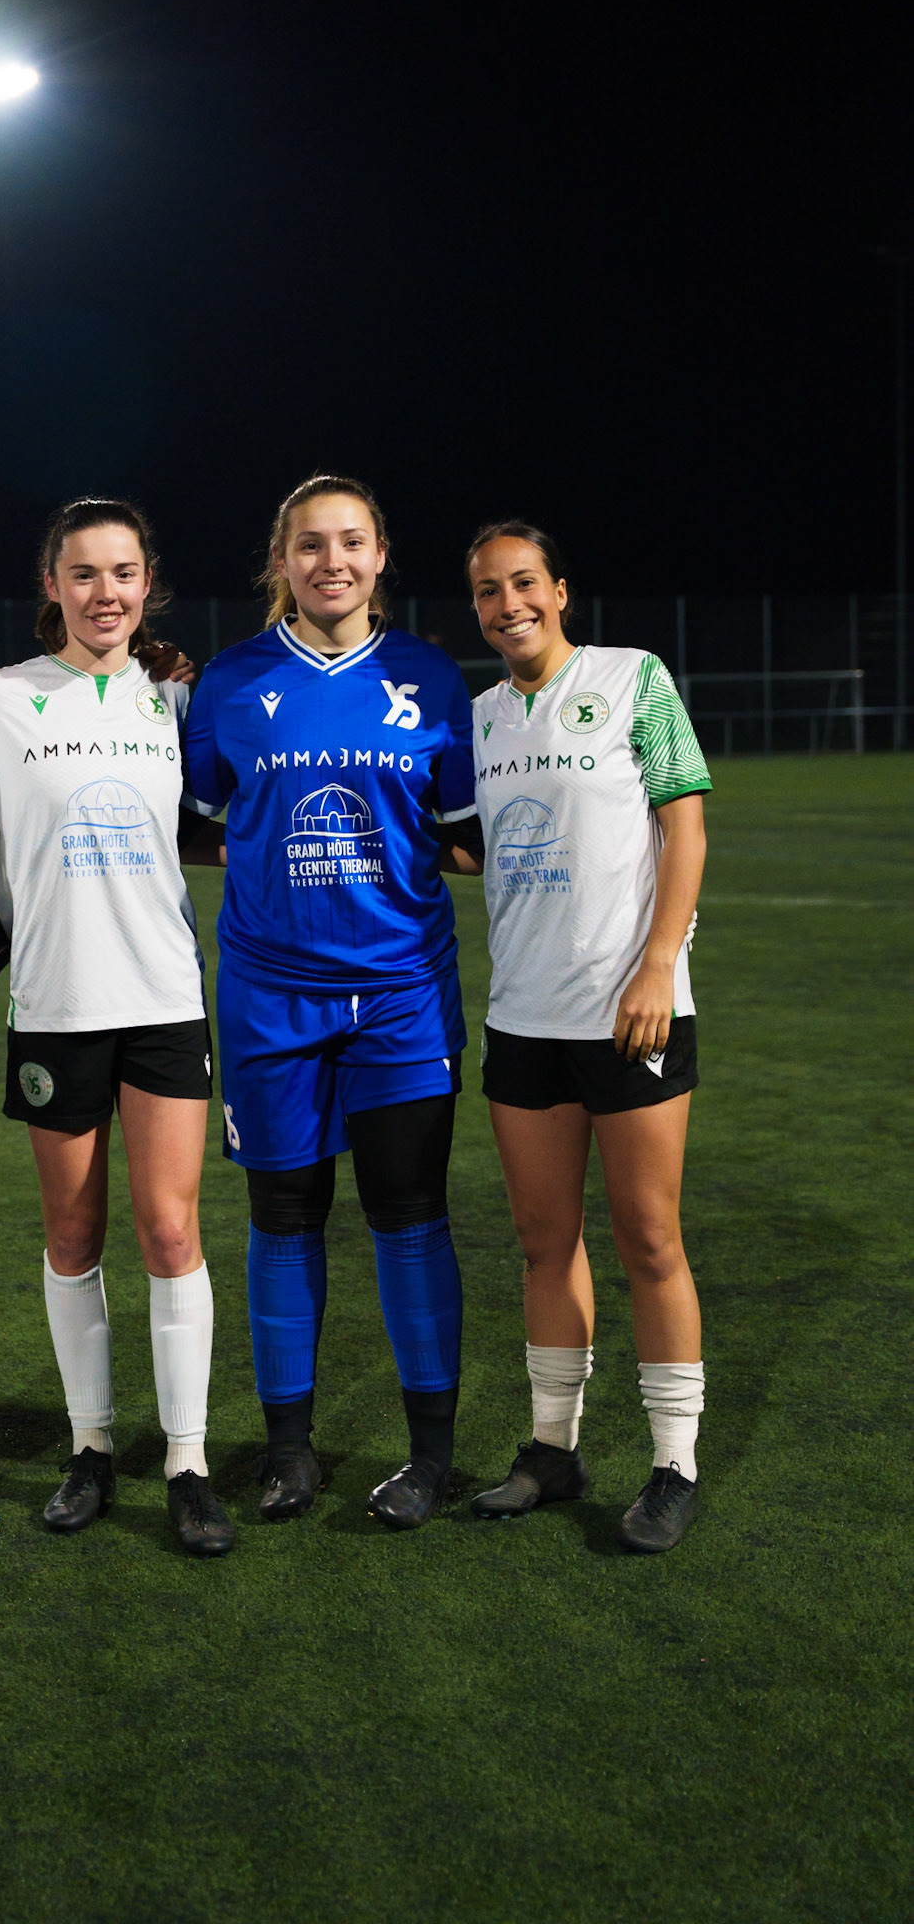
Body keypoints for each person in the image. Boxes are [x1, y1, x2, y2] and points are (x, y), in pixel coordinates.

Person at [180, 475, 476, 1530]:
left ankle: (430, 1457)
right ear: (282, 562)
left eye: (351, 542)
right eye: (311, 545)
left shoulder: (433, 681)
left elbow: (471, 835)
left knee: (407, 1218)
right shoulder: (230, 682)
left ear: (382, 555)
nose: (332, 561)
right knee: (283, 1219)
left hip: (400, 995)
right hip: (270, 999)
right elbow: (197, 820)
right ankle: (290, 1453)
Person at [0, 497, 234, 1557]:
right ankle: (90, 1445)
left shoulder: (176, 699)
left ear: (148, 583)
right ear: (51, 585)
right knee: (74, 1233)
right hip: (55, 1002)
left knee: (171, 1230)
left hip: (166, 998)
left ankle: (187, 1457)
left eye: (123, 572)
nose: (104, 592)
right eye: (83, 573)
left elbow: (232, 822)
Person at [455, 521, 711, 1554]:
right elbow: (472, 848)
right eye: (485, 590)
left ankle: (674, 1462)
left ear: (560, 588)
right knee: (542, 1240)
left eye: (523, 582)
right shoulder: (478, 717)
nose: (507, 602)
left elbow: (683, 819)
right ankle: (552, 1449)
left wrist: (658, 960)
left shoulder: (632, 676)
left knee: (649, 1238)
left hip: (631, 1010)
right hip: (523, 1015)